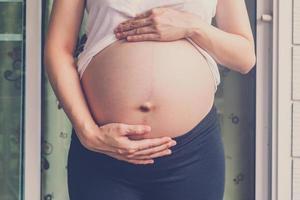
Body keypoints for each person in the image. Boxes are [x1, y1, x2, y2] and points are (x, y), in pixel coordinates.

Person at [44, 0, 256, 199]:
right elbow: (58, 49)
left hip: (191, 154)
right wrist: (88, 133)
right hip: (105, 151)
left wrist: (192, 26)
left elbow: (244, 56)